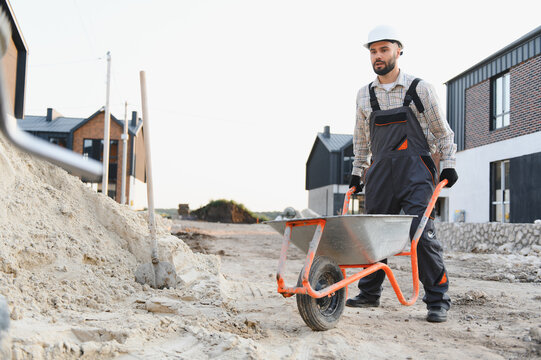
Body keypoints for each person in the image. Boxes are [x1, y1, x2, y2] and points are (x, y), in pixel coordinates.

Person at [347, 25, 458, 323]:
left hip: (416, 171)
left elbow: (442, 134)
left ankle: (437, 300)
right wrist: (357, 173)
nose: (378, 56)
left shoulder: (420, 89)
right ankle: (369, 293)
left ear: (398, 50)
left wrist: (448, 164)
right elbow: (361, 142)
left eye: (384, 49)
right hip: (380, 171)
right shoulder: (363, 95)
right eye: (373, 51)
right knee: (375, 234)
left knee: (420, 234)